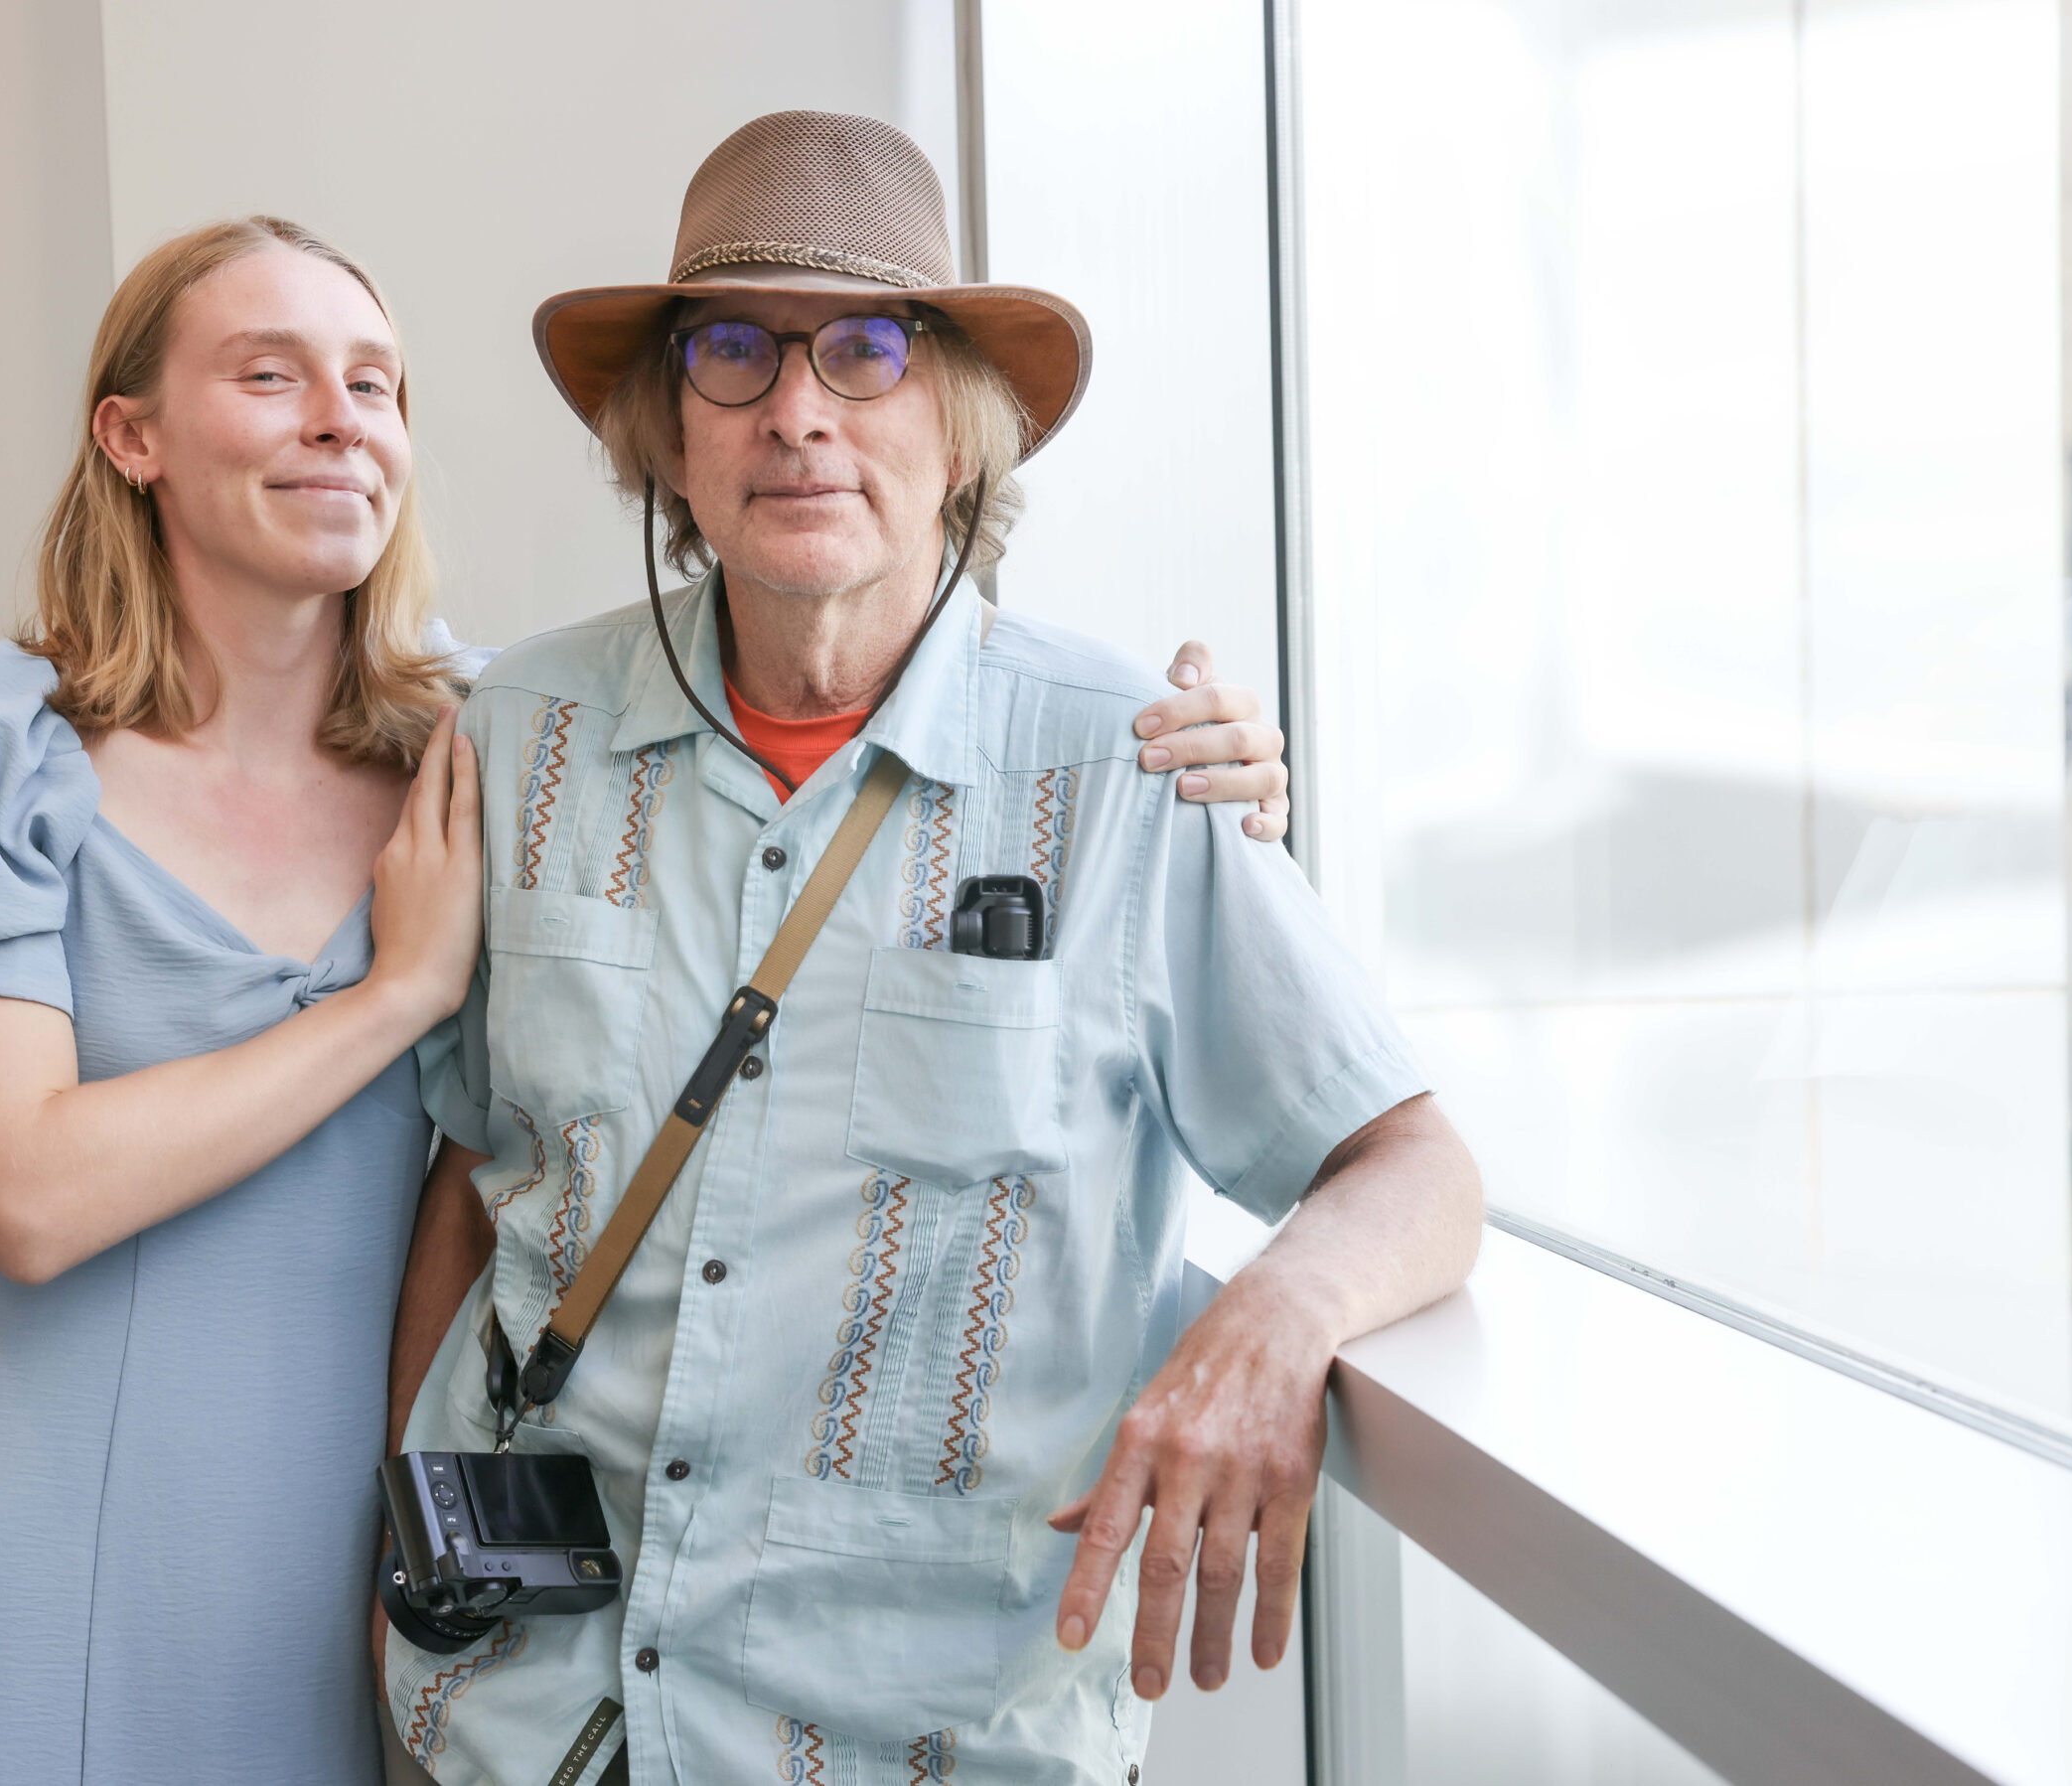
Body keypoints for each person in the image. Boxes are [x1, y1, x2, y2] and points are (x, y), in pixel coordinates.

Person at [0, 213, 1294, 1784]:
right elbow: (29, 1193)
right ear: (131, 436)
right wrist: (391, 997)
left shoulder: (490, 744)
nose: (338, 419)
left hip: (360, 1555)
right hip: (48, 1525)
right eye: (269, 375)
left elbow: (804, 738)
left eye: (373, 383)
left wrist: (1228, 769)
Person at [381, 112, 1483, 1786]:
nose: (797, 411)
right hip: (532, 1727)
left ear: (959, 428)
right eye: (733, 352)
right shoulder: (518, 733)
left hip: (932, 1744)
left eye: (868, 349)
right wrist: (396, 1587)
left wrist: (1273, 1319)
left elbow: (1417, 1167)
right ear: (669, 432)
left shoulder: (1129, 768)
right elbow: (474, 1174)